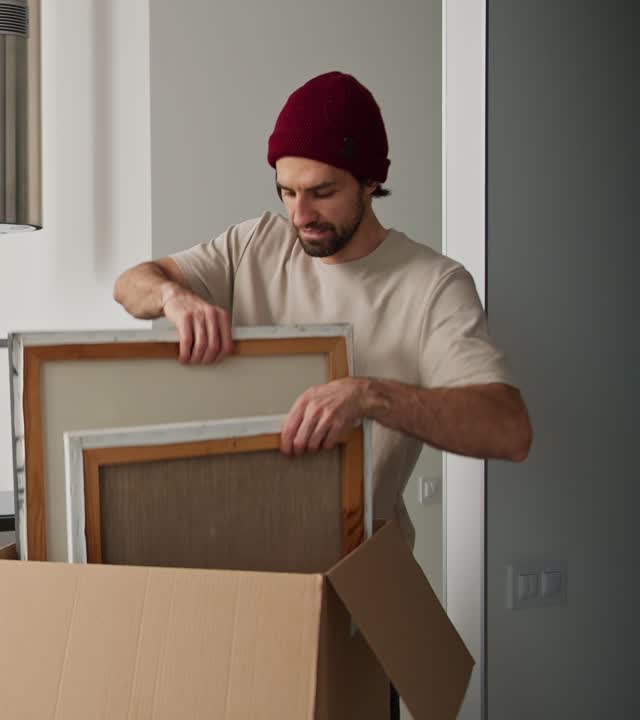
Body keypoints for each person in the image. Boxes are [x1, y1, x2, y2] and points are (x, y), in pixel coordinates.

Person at [113, 71, 533, 549]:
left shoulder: (433, 284)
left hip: (362, 563)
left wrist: (370, 396)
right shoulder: (254, 244)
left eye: (322, 192)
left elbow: (510, 431)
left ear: (370, 181)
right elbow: (130, 286)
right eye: (287, 191)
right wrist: (173, 296)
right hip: (239, 548)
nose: (300, 215)